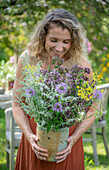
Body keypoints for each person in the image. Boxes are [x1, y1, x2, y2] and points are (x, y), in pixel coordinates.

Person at [12, 8, 96, 170]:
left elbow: (92, 108)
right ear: (43, 36)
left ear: (74, 41)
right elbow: (17, 105)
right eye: (54, 40)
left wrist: (73, 139)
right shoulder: (28, 60)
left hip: (67, 143)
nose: (59, 48)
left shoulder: (81, 66)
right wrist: (29, 136)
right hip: (35, 139)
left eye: (66, 42)